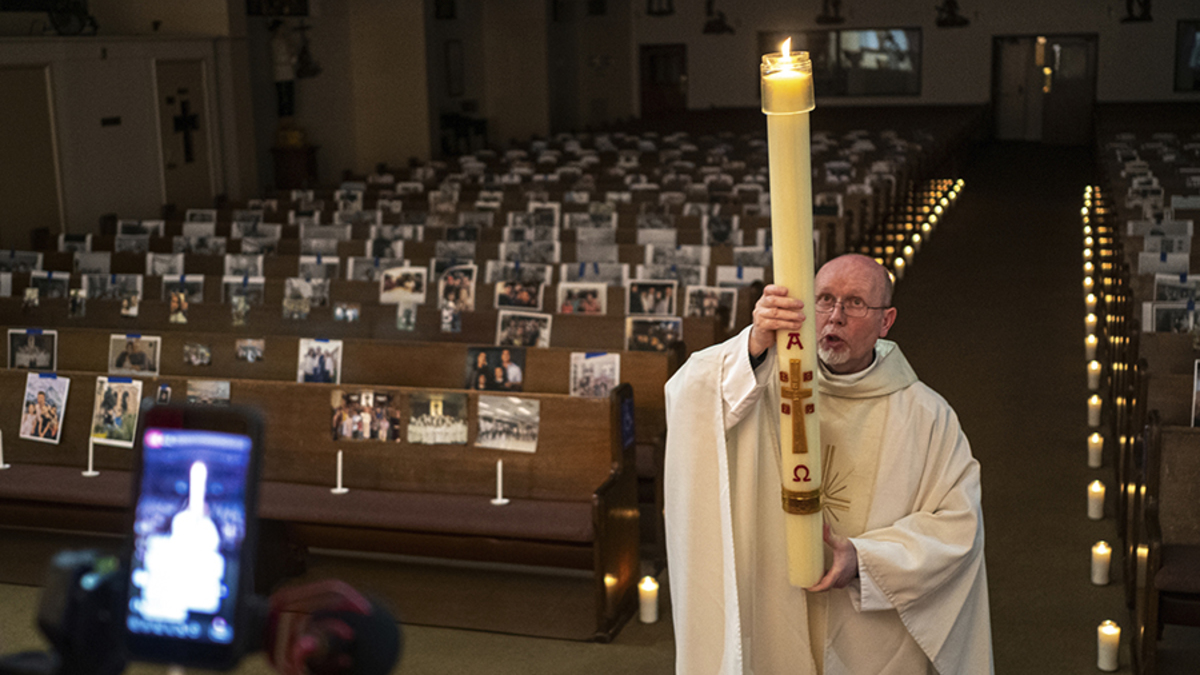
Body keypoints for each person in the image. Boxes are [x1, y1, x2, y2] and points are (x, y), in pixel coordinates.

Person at [664, 253, 991, 674]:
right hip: (775, 601)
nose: (834, 317)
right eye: (823, 300)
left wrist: (864, 559)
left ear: (886, 321)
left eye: (855, 303)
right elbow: (691, 401)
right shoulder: (766, 384)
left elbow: (959, 526)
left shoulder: (926, 415)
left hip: (870, 631)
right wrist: (753, 343)